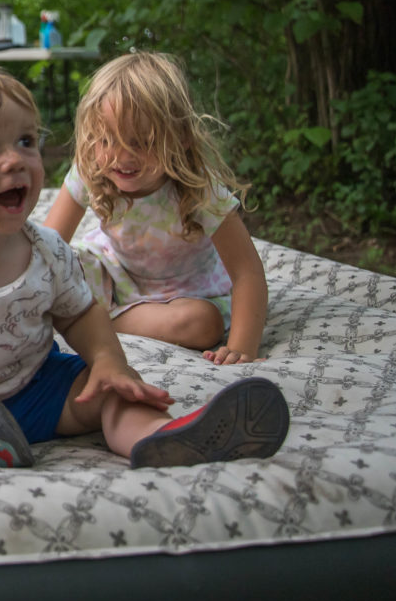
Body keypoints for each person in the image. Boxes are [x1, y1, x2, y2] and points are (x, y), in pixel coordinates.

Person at [0, 62, 288, 477]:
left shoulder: (46, 250)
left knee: (113, 393)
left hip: (39, 391)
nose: (15, 159)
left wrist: (109, 360)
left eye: (26, 141)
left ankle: (164, 439)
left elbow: (82, 316)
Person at [44, 51, 268, 366]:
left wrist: (242, 347)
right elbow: (48, 245)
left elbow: (247, 271)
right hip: (113, 276)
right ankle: (90, 316)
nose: (121, 157)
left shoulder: (199, 190)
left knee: (203, 324)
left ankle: (91, 322)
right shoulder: (90, 168)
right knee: (65, 267)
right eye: (106, 140)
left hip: (185, 296)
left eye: (140, 143)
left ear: (182, 138)